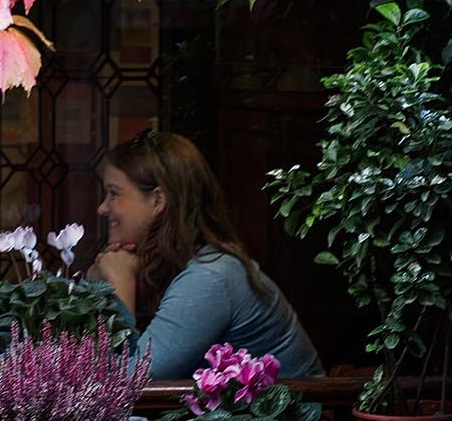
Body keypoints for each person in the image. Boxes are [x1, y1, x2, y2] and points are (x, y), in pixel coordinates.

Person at [88, 129, 322, 380]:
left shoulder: (209, 277)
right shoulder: (180, 264)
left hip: (294, 418)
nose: (103, 208)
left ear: (157, 200)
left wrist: (117, 289)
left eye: (114, 193)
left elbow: (130, 381)